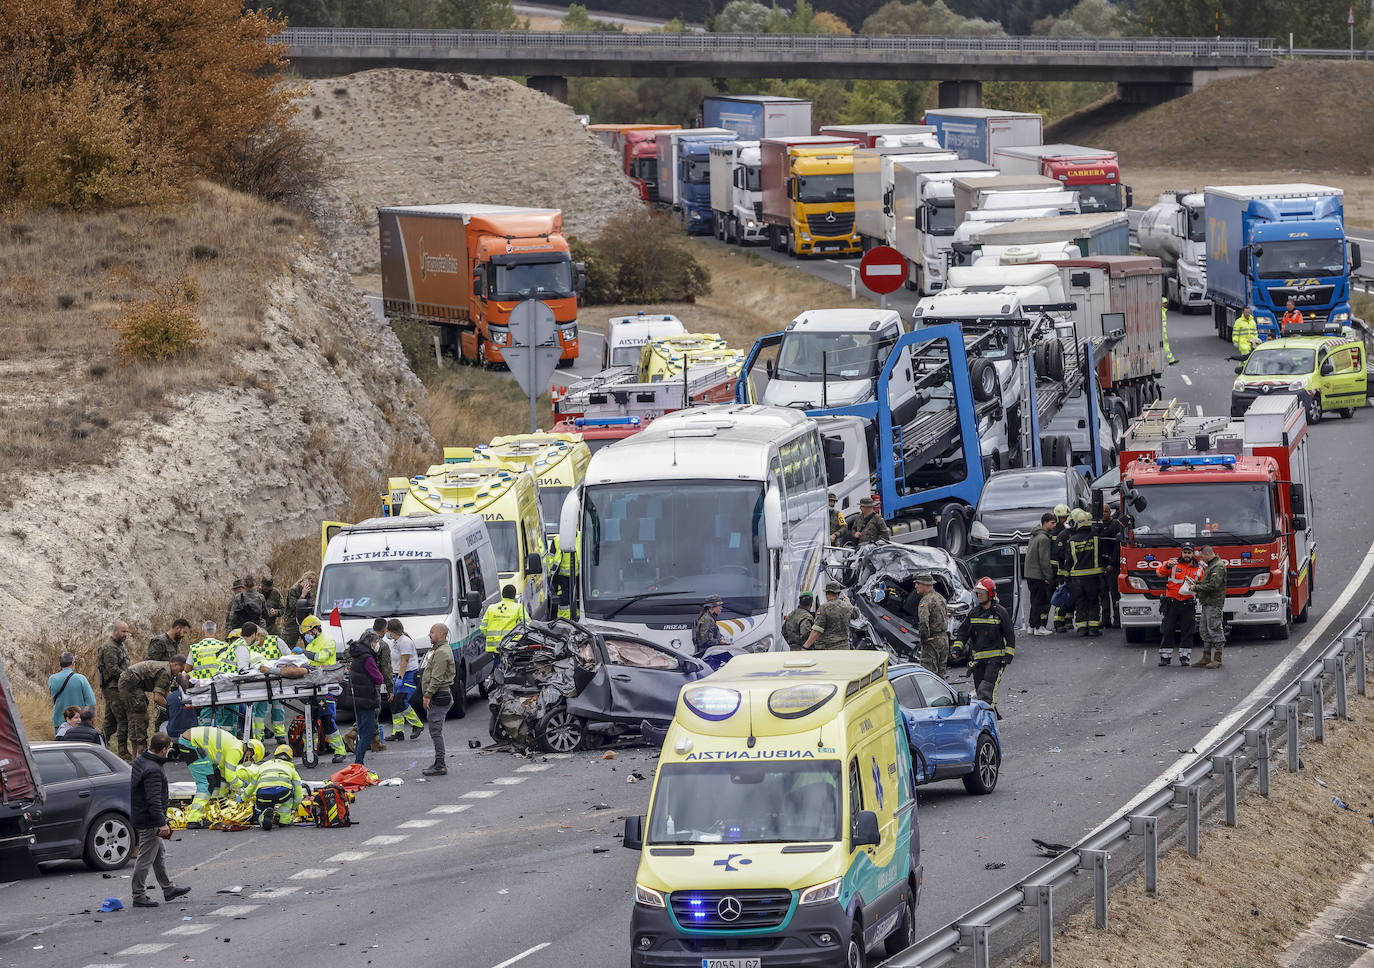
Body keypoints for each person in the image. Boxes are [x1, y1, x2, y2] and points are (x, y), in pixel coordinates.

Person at [130, 732, 191, 908]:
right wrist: (161, 823)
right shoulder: (153, 770)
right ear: (163, 749)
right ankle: (138, 895)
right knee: (145, 859)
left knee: (158, 855)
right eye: (167, 750)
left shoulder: (141, 760)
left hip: (141, 814)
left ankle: (168, 888)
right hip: (149, 820)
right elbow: (153, 799)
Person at [176, 726, 258, 828]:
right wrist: (245, 786)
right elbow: (230, 777)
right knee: (206, 784)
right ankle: (194, 820)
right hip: (191, 744)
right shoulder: (236, 751)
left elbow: (223, 775)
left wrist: (225, 798)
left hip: (192, 741)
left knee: (216, 778)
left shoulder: (235, 745)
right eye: (251, 759)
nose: (249, 762)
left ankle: (211, 812)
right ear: (250, 752)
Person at [957, 577, 1015, 713]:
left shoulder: (1000, 613)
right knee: (979, 690)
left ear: (991, 594)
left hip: (996, 660)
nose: (979, 595)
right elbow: (963, 631)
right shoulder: (974, 613)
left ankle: (989, 717)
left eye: (982, 593)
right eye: (977, 593)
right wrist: (957, 647)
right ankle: (990, 715)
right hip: (977, 660)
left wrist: (1008, 656)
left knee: (986, 691)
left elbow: (1010, 635)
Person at [300, 614, 348, 763]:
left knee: (327, 719)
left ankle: (340, 750)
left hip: (327, 687)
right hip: (312, 686)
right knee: (310, 719)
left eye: (308, 633)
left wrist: (305, 654)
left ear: (315, 629)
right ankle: (310, 750)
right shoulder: (310, 645)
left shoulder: (329, 642)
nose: (306, 636)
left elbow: (321, 657)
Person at [118, 656, 186, 759]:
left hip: (130, 682)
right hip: (129, 685)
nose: (179, 673)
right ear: (175, 664)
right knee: (140, 716)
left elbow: (167, 693)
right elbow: (157, 697)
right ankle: (141, 754)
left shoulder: (166, 670)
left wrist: (175, 704)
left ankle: (137, 754)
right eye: (180, 670)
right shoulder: (165, 672)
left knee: (135, 716)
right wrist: (171, 710)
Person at [1156, 543, 1204, 667]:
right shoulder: (1173, 563)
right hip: (1172, 603)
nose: (1187, 555)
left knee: (1188, 631)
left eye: (1189, 552)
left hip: (1188, 604)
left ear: (1193, 554)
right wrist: (1167, 565)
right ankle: (1165, 657)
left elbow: (1203, 585)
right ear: (1181, 553)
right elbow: (1159, 573)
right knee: (1168, 630)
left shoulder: (1199, 568)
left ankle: (1185, 657)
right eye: (1185, 552)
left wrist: (1196, 589)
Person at [421, 623, 456, 777]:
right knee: (435, 730)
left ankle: (440, 764)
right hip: (440, 694)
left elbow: (436, 678)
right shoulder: (438, 650)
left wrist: (427, 695)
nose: (429, 634)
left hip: (439, 695)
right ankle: (438, 762)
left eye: (432, 632)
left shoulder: (441, 652)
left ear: (441, 635)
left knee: (436, 731)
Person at [243, 746, 306, 831]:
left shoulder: (263, 765)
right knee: (289, 795)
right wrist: (293, 807)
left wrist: (243, 797)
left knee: (261, 807)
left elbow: (252, 785)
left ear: (275, 755)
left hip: (263, 793)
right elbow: (299, 794)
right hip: (282, 793)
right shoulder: (291, 768)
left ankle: (262, 818)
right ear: (290, 758)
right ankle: (284, 820)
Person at [385, 619, 427, 742]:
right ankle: (398, 731)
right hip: (399, 674)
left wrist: (400, 678)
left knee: (401, 701)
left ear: (393, 630)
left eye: (388, 630)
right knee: (394, 702)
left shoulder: (405, 642)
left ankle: (417, 724)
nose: (387, 633)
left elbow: (405, 661)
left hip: (408, 675)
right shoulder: (396, 641)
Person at [349, 631, 386, 765]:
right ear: (371, 643)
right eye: (376, 642)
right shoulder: (367, 658)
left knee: (361, 730)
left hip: (357, 698)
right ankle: (359, 762)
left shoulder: (357, 655)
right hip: (367, 698)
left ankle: (359, 761)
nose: (377, 645)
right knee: (367, 732)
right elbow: (378, 677)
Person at [1065, 509, 1105, 637]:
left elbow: (1068, 561)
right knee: (1093, 602)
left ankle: (1082, 628)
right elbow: (1102, 555)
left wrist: (1066, 578)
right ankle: (1093, 628)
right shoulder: (1096, 538)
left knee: (1080, 603)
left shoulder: (1072, 541)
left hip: (1076, 578)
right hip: (1093, 577)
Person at [97, 621, 132, 756]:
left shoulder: (120, 646)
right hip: (113, 689)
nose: (126, 634)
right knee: (122, 718)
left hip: (118, 687)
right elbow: (113, 670)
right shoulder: (110, 648)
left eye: (127, 631)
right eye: (123, 631)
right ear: (115, 631)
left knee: (110, 721)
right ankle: (122, 751)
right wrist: (129, 676)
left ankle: (99, 745)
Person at [1192, 546, 1229, 669]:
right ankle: (1206, 657)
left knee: (1214, 629)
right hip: (1207, 602)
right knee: (1204, 630)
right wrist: (1197, 584)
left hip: (1214, 603)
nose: (1201, 559)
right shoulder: (1211, 566)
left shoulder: (1217, 566)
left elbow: (1214, 585)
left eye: (1202, 556)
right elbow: (1208, 583)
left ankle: (1217, 659)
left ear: (1208, 554)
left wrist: (1196, 588)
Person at [49, 651, 97, 734]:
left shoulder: (52, 679)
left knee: (61, 745)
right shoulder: (81, 678)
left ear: (60, 664)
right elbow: (91, 702)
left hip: (59, 721)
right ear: (73, 663)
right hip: (78, 722)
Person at [1024, 513, 1056, 636]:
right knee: (1040, 601)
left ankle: (1031, 626)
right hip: (1038, 575)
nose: (1054, 525)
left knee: (1034, 600)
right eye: (1052, 523)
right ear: (1045, 523)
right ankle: (1039, 627)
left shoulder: (1034, 535)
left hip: (1029, 573)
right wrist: (1048, 577)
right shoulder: (1044, 538)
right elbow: (1044, 560)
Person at [912, 573, 949, 678]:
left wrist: (924, 639)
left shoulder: (925, 601)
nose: (916, 586)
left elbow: (924, 622)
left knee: (929, 675)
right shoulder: (941, 598)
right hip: (944, 639)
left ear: (925, 585)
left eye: (918, 584)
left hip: (932, 641)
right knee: (941, 675)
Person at [802, 582, 857, 651]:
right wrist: (849, 603)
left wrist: (805, 646)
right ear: (838, 594)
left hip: (827, 649)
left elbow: (817, 630)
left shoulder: (824, 608)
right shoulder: (847, 607)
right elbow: (856, 614)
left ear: (827, 594)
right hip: (844, 648)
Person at [368, 622, 394, 753]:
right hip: (373, 682)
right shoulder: (382, 645)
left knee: (364, 711)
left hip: (358, 681)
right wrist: (390, 688)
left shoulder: (362, 639)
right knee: (375, 711)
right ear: (385, 629)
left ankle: (363, 738)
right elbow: (386, 668)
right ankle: (374, 742)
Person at [1098, 505, 1123, 630]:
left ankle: (1117, 620)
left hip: (1113, 567)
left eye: (1106, 511)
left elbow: (1117, 548)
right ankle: (1105, 620)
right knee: (1103, 595)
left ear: (1110, 512)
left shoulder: (1115, 526)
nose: (1104, 514)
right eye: (1102, 511)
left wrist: (1112, 564)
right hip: (1101, 566)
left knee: (1115, 595)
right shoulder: (1096, 527)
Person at [1049, 505, 1073, 633]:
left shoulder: (1068, 530)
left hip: (1068, 568)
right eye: (1063, 517)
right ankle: (1058, 621)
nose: (1065, 519)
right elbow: (1056, 554)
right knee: (1062, 594)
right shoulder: (1055, 532)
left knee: (1071, 594)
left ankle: (1068, 619)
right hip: (1059, 569)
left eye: (1066, 517)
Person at [480, 585, 527, 654]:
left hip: (494, 646)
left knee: (497, 663)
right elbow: (527, 624)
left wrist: (493, 637)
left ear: (502, 594)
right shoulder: (518, 608)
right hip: (511, 645)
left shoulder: (491, 608)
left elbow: (482, 627)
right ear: (514, 595)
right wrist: (518, 638)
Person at [284, 572, 316, 648]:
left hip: (305, 623)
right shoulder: (293, 590)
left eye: (314, 583)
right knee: (288, 648)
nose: (313, 585)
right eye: (312, 582)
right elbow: (294, 607)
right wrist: (302, 595)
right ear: (305, 580)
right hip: (292, 624)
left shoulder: (309, 591)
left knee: (310, 646)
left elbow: (311, 605)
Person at [1161, 297, 1178, 366]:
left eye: (1166, 303)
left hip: (1163, 331)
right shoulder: (1161, 312)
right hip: (1162, 332)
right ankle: (1171, 360)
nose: (1166, 304)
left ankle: (1171, 360)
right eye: (1164, 303)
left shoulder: (1163, 311)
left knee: (1165, 345)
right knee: (1165, 346)